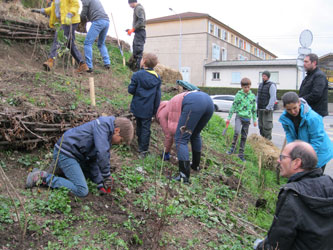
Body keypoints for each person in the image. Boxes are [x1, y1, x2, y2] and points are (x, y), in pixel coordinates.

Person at [26, 116, 134, 197]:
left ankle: (49, 172)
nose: (118, 144)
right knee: (81, 190)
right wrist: (106, 175)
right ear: (117, 130)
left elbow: (93, 159)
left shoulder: (105, 132)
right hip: (66, 153)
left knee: (87, 177)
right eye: (121, 141)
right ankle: (42, 177)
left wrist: (100, 182)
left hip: (74, 154)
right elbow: (102, 153)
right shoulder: (103, 127)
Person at [254, 141, 333, 250]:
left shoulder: (292, 195)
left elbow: (278, 241)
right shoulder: (329, 183)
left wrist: (260, 246)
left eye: (282, 157)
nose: (278, 160)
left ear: (296, 162)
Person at [279, 92, 333, 172]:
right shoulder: (285, 118)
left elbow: (317, 140)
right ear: (284, 107)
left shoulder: (312, 118)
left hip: (319, 152)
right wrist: (292, 152)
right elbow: (290, 135)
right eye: (289, 109)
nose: (293, 112)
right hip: (304, 151)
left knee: (314, 179)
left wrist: (307, 159)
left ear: (299, 103)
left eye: (295, 108)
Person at [31, 0, 89, 73]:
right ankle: (82, 65)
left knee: (58, 38)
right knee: (69, 43)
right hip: (65, 21)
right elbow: (52, 9)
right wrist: (41, 11)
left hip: (70, 20)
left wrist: (70, 14)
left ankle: (50, 60)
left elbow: (76, 4)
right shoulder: (56, 1)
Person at [172, 91, 214, 183]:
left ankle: (184, 176)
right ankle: (195, 165)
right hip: (209, 101)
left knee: (181, 138)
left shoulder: (169, 105)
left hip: (195, 103)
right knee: (195, 134)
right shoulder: (178, 98)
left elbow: (173, 125)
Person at [128, 53, 161, 158]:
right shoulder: (157, 77)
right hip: (149, 108)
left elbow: (131, 90)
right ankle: (143, 150)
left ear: (145, 61)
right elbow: (157, 96)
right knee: (146, 128)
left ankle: (138, 144)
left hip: (138, 106)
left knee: (139, 125)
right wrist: (155, 110)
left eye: (142, 59)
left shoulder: (137, 75)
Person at [226, 77, 257, 161]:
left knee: (244, 136)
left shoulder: (252, 96)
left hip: (247, 119)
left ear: (250, 86)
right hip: (239, 117)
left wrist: (254, 120)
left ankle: (241, 154)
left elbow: (254, 109)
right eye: (245, 87)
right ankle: (232, 149)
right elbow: (234, 106)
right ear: (242, 87)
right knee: (237, 132)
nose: (247, 89)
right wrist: (229, 118)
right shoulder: (238, 95)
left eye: (248, 87)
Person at [80, 0, 111, 73]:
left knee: (87, 43)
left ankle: (89, 66)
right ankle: (107, 63)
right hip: (106, 22)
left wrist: (80, 20)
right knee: (101, 44)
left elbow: (83, 14)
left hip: (98, 21)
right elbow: (90, 14)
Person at [257, 71, 277, 140]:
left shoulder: (271, 85)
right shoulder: (260, 85)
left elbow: (273, 97)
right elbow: (258, 96)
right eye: (262, 76)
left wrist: (268, 107)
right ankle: (262, 141)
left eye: (265, 76)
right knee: (261, 126)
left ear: (268, 77)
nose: (263, 77)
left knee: (267, 126)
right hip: (260, 109)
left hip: (267, 110)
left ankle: (268, 142)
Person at [127, 0, 146, 71]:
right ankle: (133, 68)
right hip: (138, 32)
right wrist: (132, 30)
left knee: (138, 51)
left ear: (132, 2)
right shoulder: (137, 8)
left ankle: (138, 70)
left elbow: (141, 21)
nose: (129, 6)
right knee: (135, 50)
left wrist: (133, 29)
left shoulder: (138, 8)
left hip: (140, 32)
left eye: (129, 4)